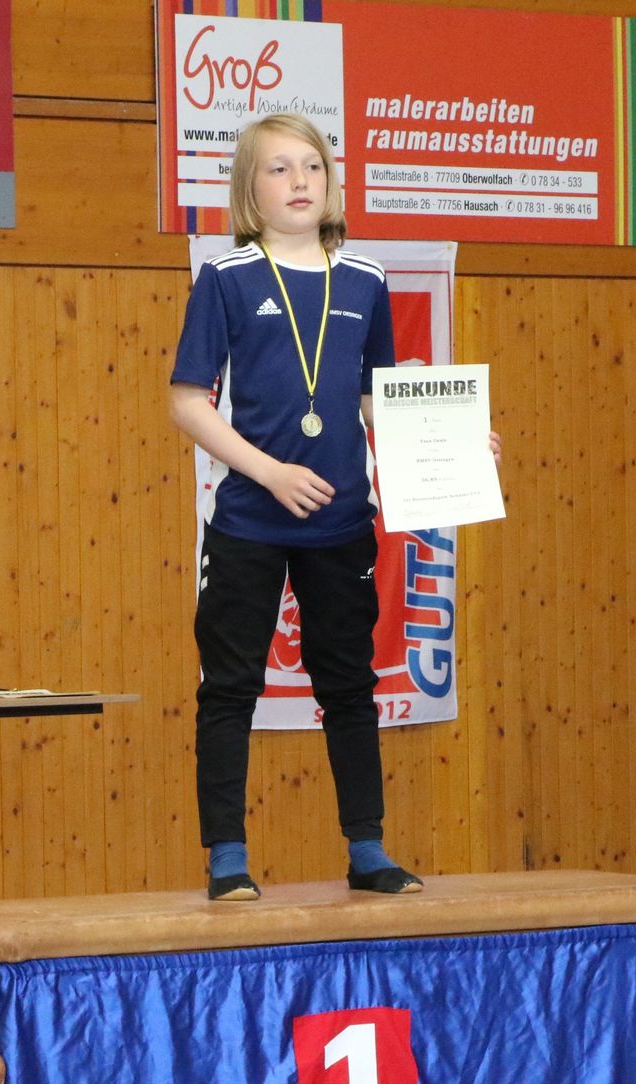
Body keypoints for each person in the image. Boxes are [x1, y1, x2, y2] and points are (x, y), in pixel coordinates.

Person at [169, 114, 488, 902]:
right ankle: (227, 857)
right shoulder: (227, 277)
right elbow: (188, 401)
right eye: (279, 168)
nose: (299, 181)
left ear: (332, 182)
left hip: (341, 522)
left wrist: (455, 438)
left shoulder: (365, 279)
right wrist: (270, 472)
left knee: (348, 685)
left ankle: (368, 849)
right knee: (229, 686)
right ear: (250, 189)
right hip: (249, 519)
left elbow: (375, 398)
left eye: (312, 165)